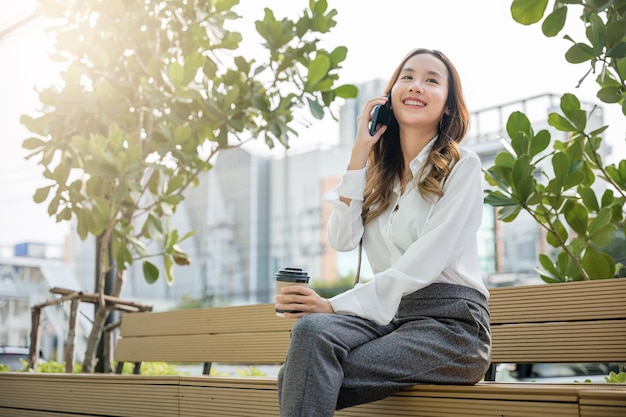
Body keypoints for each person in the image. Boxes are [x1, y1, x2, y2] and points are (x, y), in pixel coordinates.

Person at [275, 48, 491, 417]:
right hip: (390, 320)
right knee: (312, 333)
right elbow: (341, 240)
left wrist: (332, 304)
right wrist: (360, 151)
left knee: (297, 377)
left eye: (431, 80)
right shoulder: (381, 179)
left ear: (449, 106)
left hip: (451, 327)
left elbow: (421, 265)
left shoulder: (462, 166)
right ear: (388, 98)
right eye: (406, 77)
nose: (416, 86)